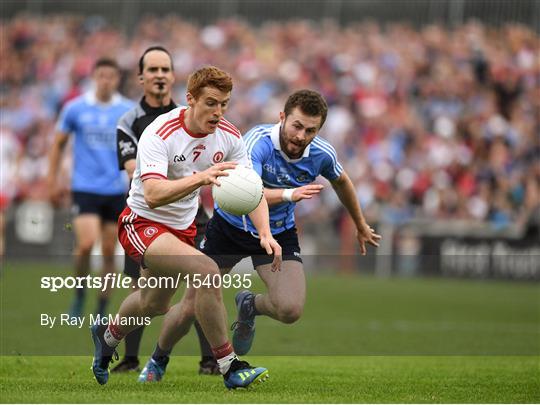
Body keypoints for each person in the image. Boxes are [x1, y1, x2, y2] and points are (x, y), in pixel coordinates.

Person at [138, 89, 381, 382]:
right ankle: (157, 358)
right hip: (230, 228)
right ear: (282, 118)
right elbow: (249, 193)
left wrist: (360, 223)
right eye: (297, 126)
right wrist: (290, 194)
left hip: (278, 232)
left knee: (290, 309)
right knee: (190, 306)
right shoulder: (256, 142)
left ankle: (249, 305)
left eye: (310, 130)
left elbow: (341, 181)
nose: (301, 135)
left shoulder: (322, 154)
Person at [90, 65, 282, 389]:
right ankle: (229, 366)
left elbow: (253, 190)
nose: (218, 111)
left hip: (183, 228)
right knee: (206, 270)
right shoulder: (160, 132)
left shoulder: (230, 137)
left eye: (224, 103)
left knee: (155, 303)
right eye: (210, 103)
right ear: (190, 99)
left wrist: (265, 232)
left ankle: (107, 336)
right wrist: (202, 177)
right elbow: (151, 194)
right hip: (142, 222)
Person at [112, 46, 218, 375]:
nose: (159, 75)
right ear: (141, 77)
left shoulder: (193, 114)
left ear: (173, 77)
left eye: (165, 69)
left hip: (191, 216)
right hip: (147, 216)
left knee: (203, 278)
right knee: (145, 293)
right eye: (153, 70)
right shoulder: (131, 122)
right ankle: (130, 356)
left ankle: (210, 360)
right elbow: (136, 173)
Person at [47, 58, 134, 317]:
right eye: (101, 75)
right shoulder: (75, 108)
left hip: (116, 188)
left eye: (111, 76)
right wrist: (52, 181)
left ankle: (102, 307)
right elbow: (58, 145)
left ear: (118, 79)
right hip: (84, 187)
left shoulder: (128, 111)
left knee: (109, 251)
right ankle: (80, 294)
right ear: (94, 77)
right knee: (85, 244)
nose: (106, 80)